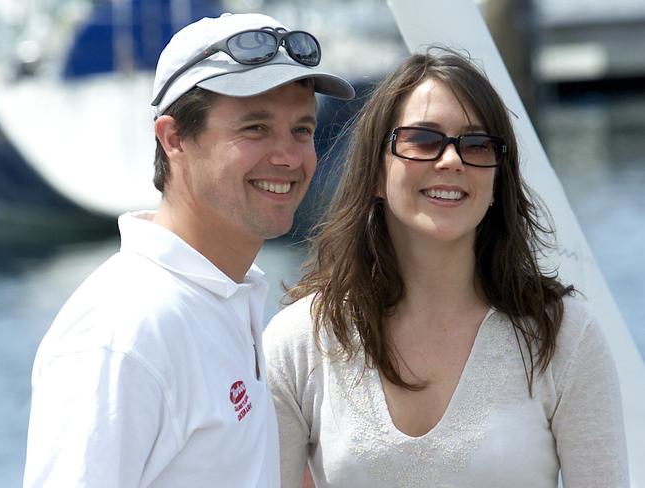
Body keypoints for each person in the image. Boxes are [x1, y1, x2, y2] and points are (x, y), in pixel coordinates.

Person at [264, 49, 629, 487]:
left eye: (477, 145)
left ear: (496, 181)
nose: (452, 160)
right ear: (377, 173)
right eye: (423, 139)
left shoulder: (562, 336)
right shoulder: (301, 340)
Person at [23, 12, 354, 488]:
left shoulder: (223, 297)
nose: (288, 155)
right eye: (256, 128)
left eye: (302, 129)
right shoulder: (124, 332)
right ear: (173, 138)